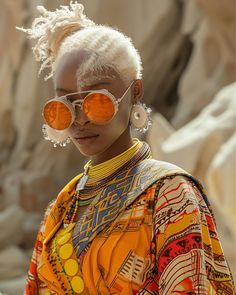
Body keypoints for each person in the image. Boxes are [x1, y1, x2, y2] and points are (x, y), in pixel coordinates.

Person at [18, 2, 234, 294]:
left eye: (96, 101)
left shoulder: (171, 195)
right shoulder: (62, 207)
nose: (79, 119)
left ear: (134, 92)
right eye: (64, 105)